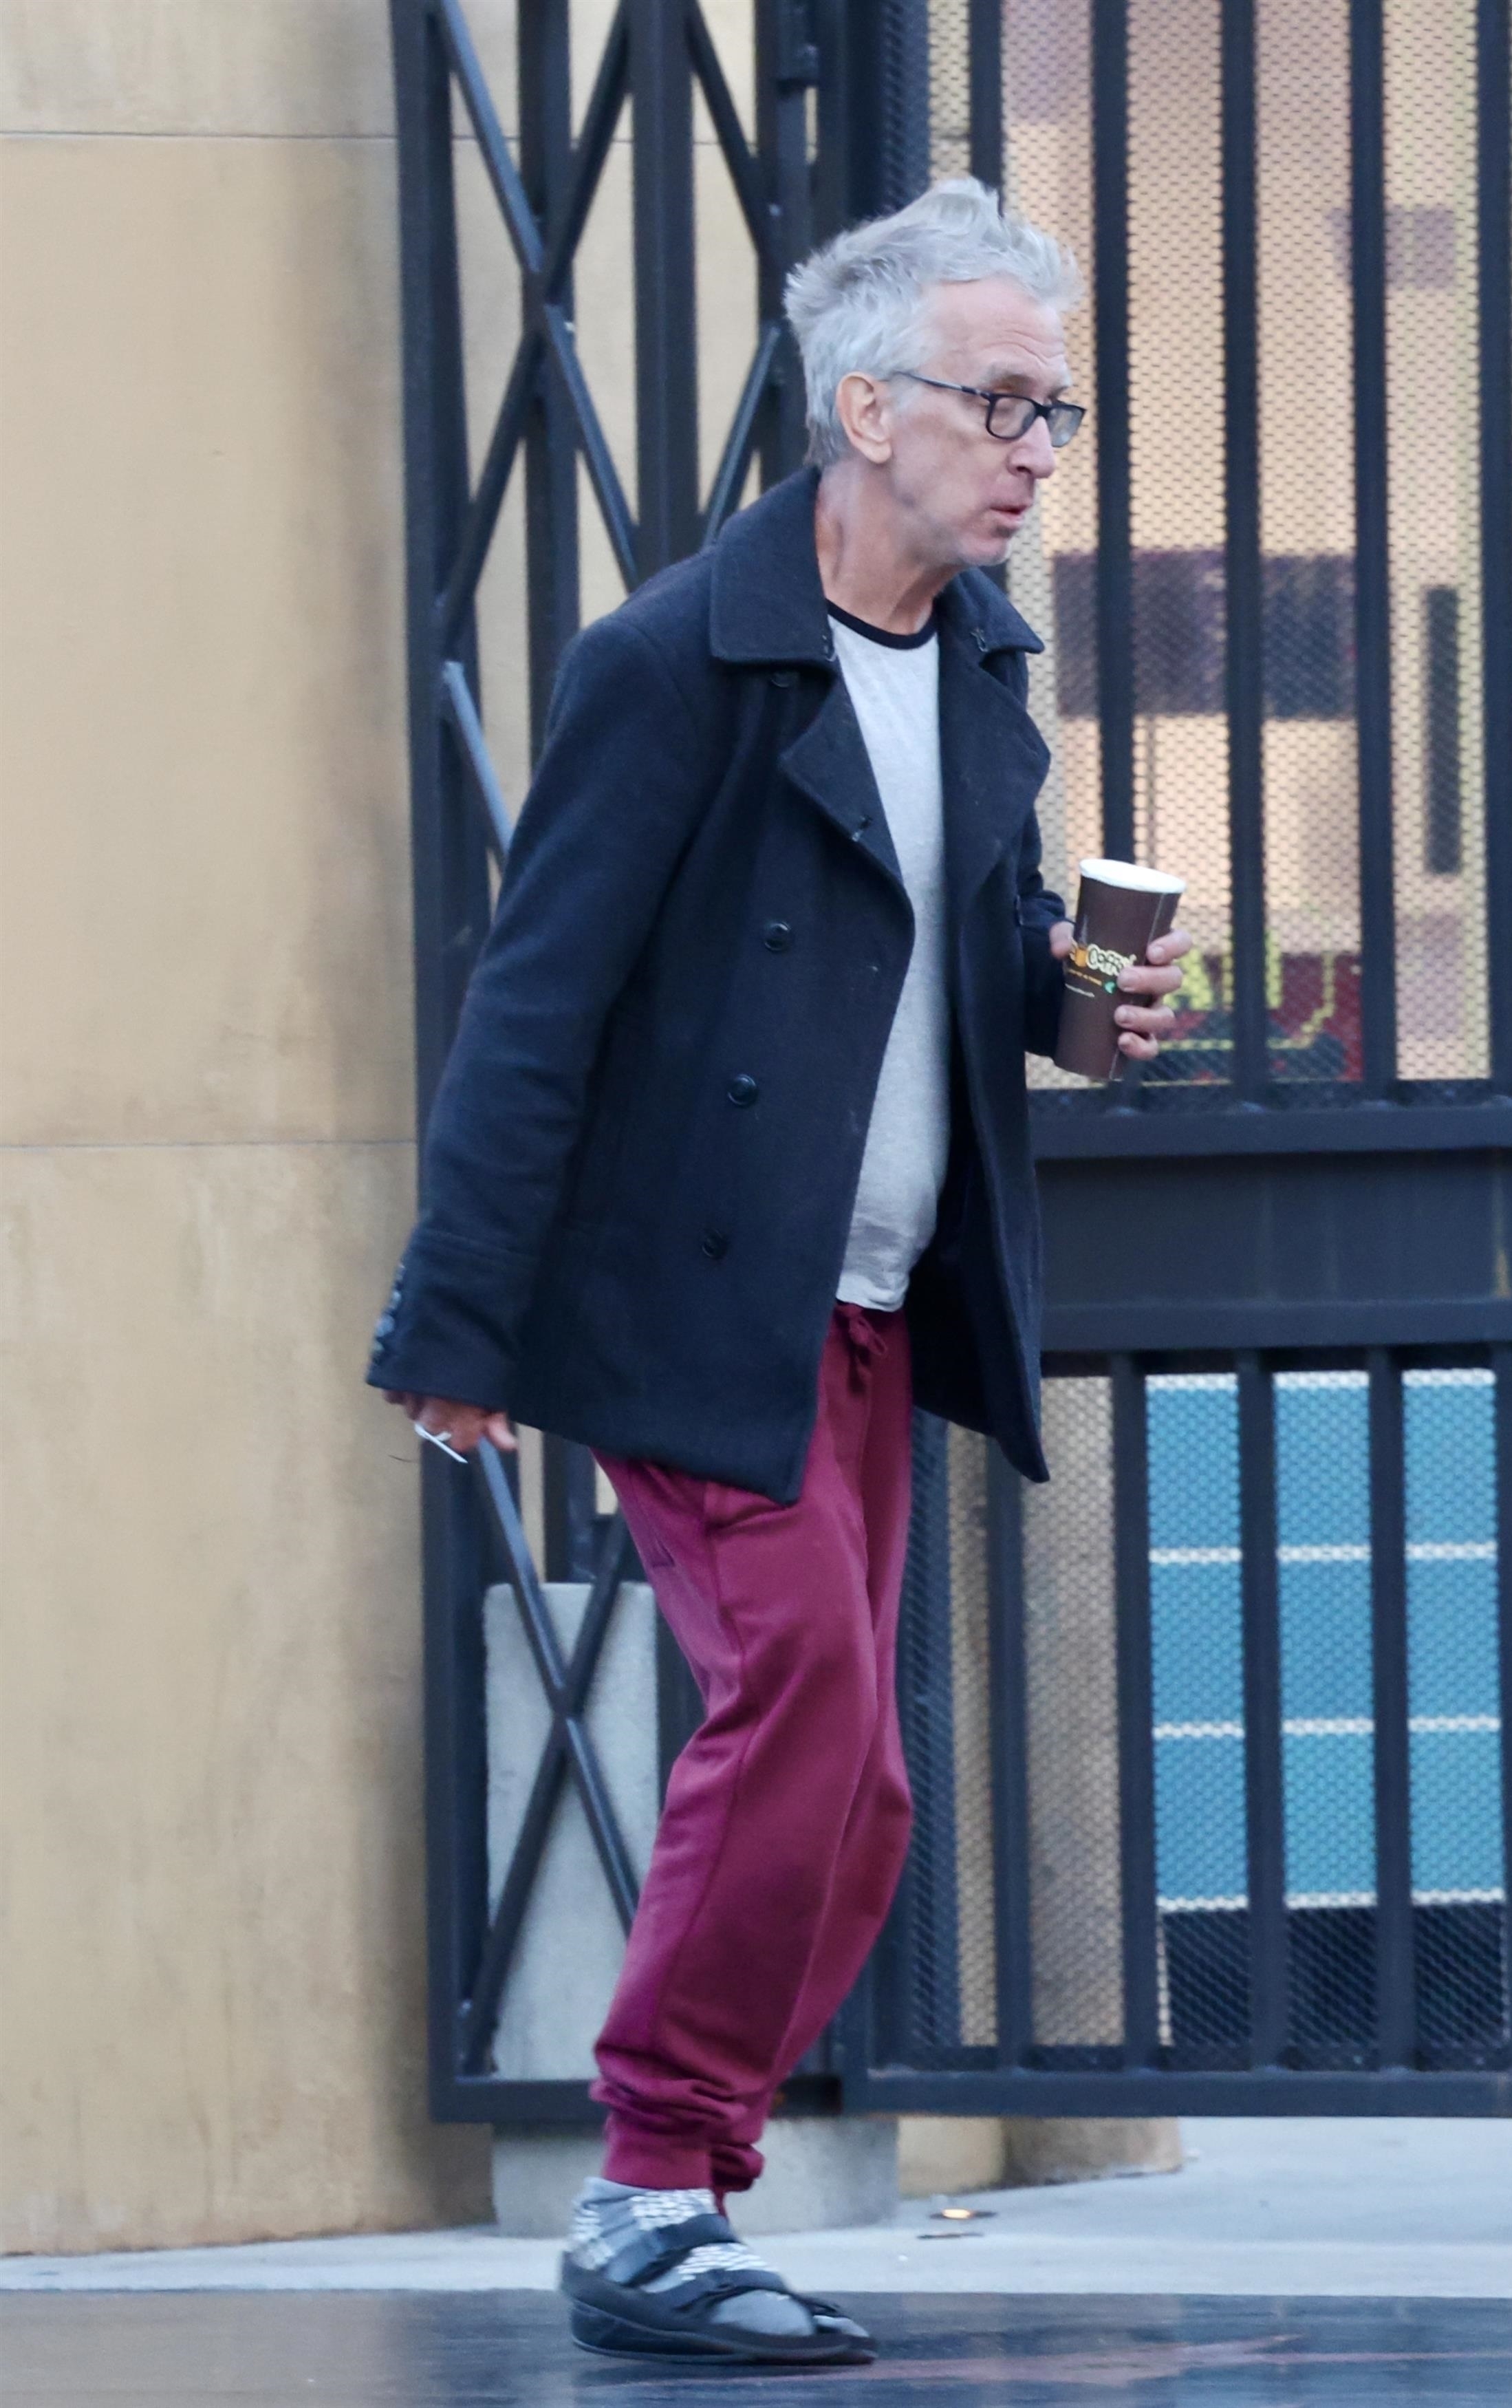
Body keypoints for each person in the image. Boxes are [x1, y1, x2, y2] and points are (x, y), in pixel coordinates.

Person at [370, 178, 1187, 2367]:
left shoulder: (984, 662)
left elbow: (964, 954)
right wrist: (456, 1320)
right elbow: (532, 1007)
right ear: (863, 407)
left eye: (1058, 412)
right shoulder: (673, 660)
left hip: (871, 1290)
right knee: (803, 1695)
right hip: (683, 1296)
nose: (1034, 450)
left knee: (864, 1787)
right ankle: (649, 2185)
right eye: (1002, 404)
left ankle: (683, 2174)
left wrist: (1083, 1002)